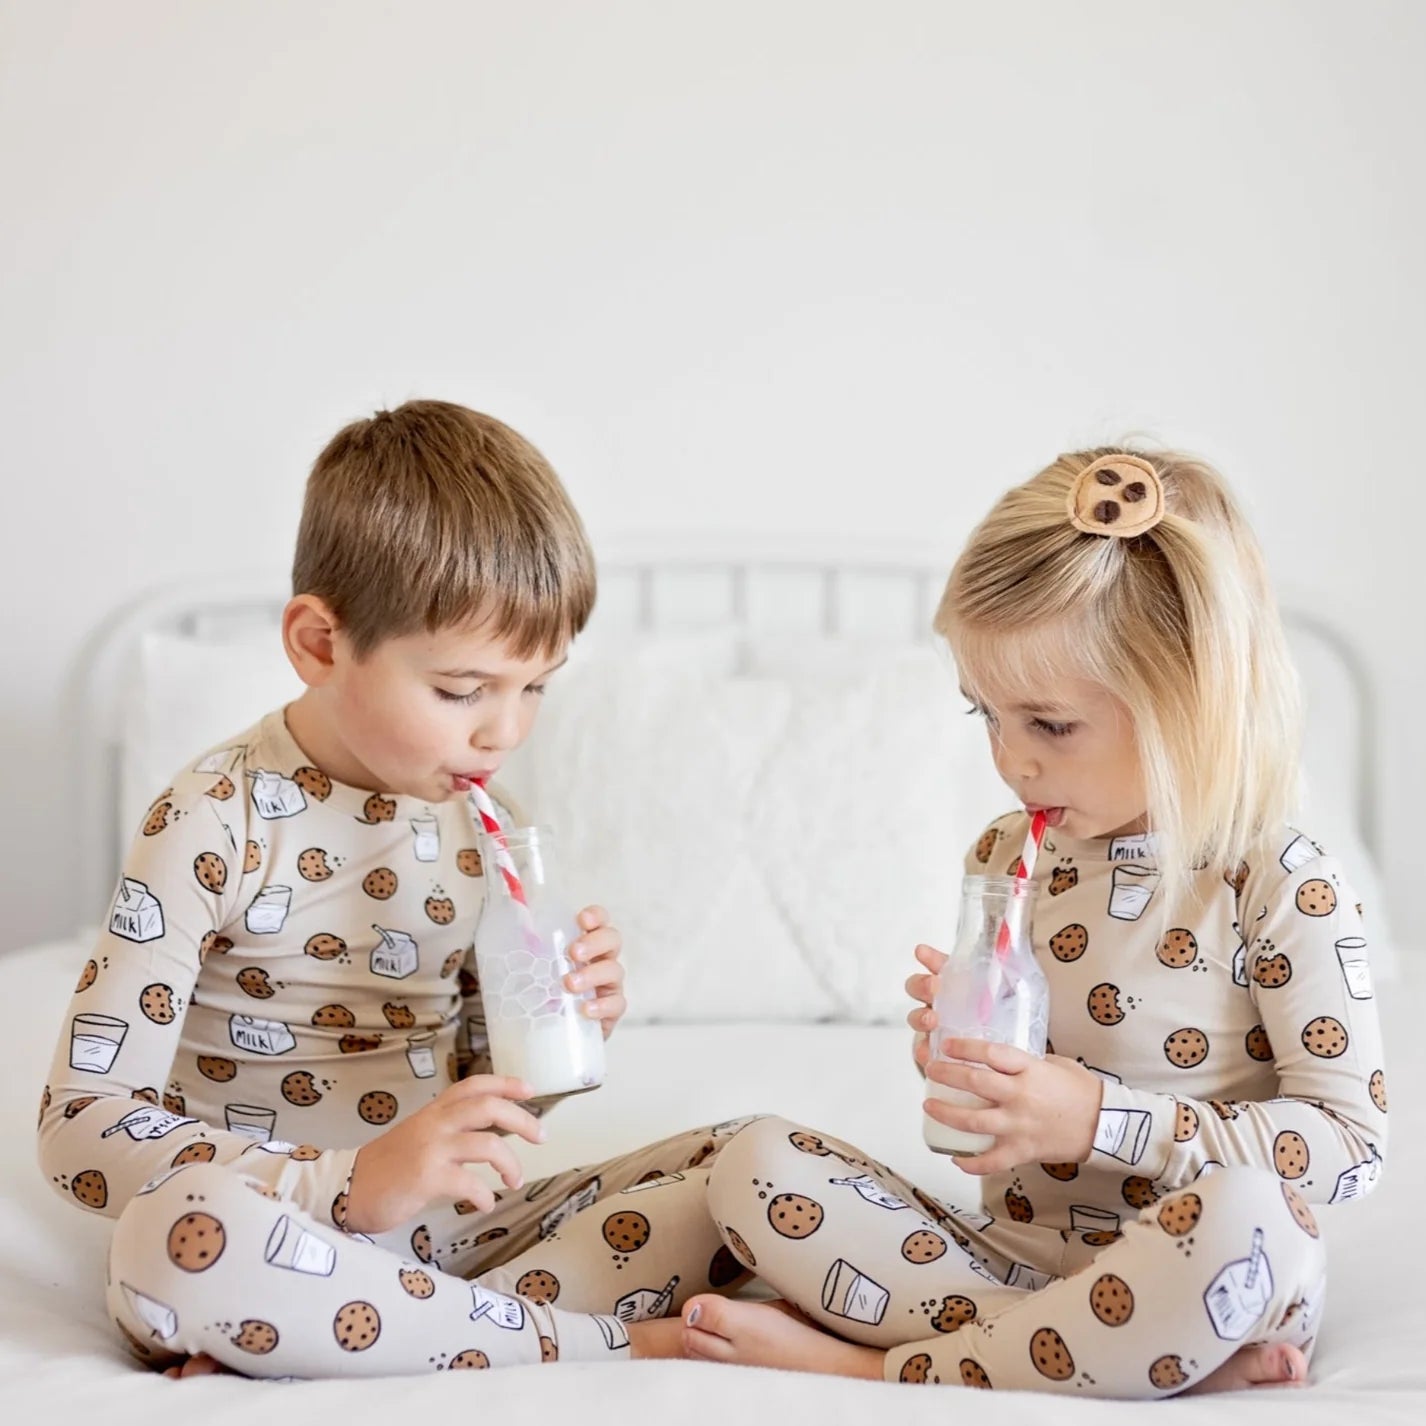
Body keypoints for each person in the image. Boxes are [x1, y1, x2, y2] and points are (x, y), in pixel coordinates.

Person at [38, 400, 752, 1378]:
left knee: (749, 1165)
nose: (504, 731)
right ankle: (606, 1345)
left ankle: (380, 1335)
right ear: (320, 644)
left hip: (450, 1243)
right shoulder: (213, 818)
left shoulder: (473, 815)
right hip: (263, 1233)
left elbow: (479, 1101)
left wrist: (554, 1026)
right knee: (178, 1243)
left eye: (535, 686)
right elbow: (80, 1122)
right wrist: (343, 1184)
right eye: (463, 690)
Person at [676, 447, 1388, 1397]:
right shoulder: (1008, 857)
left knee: (1245, 1221)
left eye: (1049, 725)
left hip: (1201, 1263)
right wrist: (966, 1059)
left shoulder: (1276, 880)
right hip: (1008, 1261)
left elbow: (1349, 1148)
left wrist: (1097, 1118)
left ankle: (877, 1368)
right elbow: (1012, 1098)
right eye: (987, 716)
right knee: (754, 1164)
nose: (1013, 761)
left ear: (1191, 703)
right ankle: (1101, 1360)